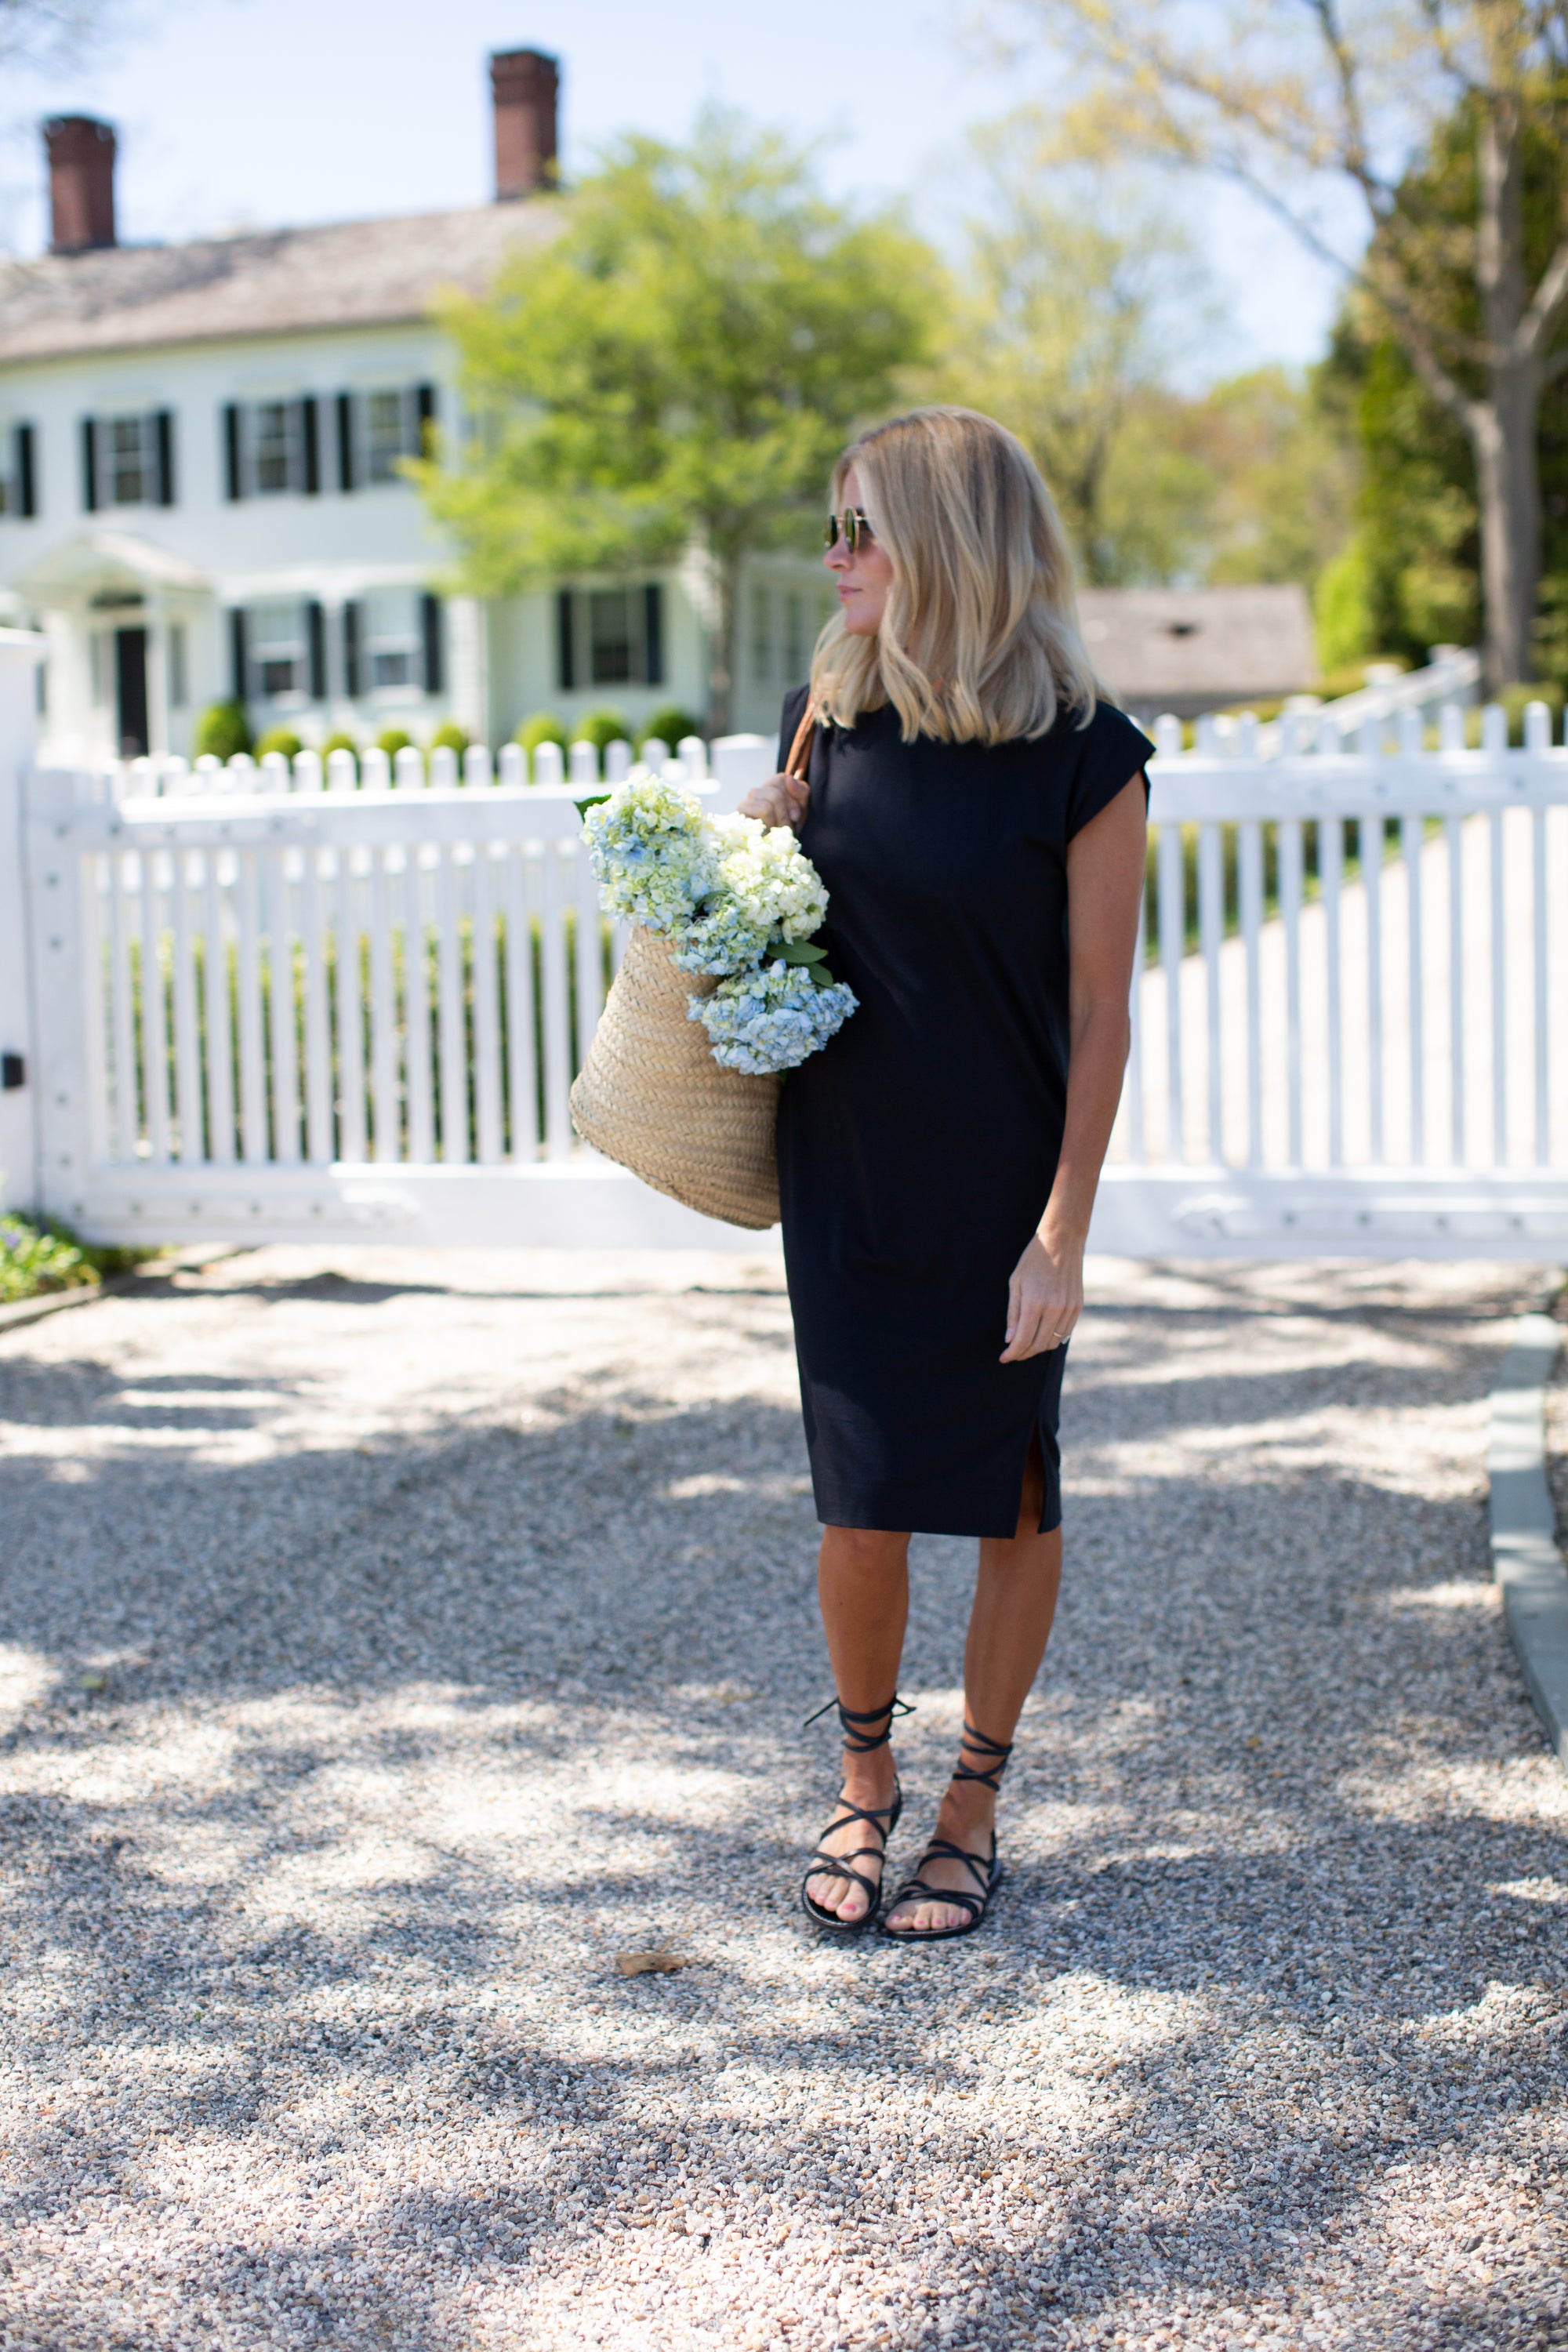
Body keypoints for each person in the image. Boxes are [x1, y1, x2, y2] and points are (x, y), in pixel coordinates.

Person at [737, 406, 1149, 1943]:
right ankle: (864, 1785)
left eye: (860, 529)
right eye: (828, 529)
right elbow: (771, 953)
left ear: (950, 544)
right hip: (845, 1177)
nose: (833, 557)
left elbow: (1103, 1013)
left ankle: (974, 1796)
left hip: (999, 1190)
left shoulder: (1086, 754)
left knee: (1008, 1493)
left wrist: (1062, 1234)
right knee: (858, 1500)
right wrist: (747, 850)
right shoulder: (817, 720)